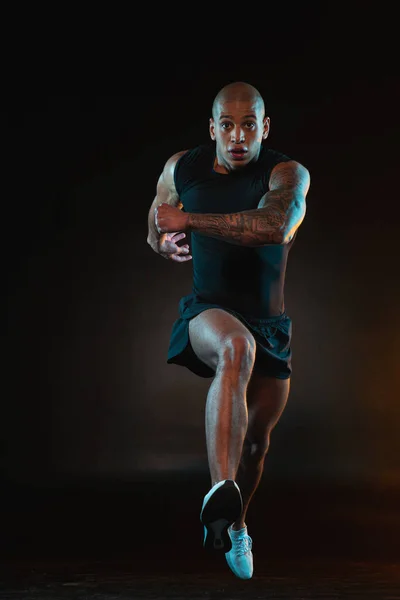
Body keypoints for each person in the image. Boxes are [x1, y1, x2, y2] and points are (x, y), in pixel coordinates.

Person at [146, 81, 310, 579]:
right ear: (213, 127)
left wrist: (189, 221)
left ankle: (235, 525)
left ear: (264, 127)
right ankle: (220, 496)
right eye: (228, 124)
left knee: (257, 444)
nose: (238, 136)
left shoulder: (286, 173)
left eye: (248, 125)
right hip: (208, 313)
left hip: (271, 325)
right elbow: (156, 224)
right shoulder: (183, 166)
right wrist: (165, 242)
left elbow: (274, 228)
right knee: (235, 348)